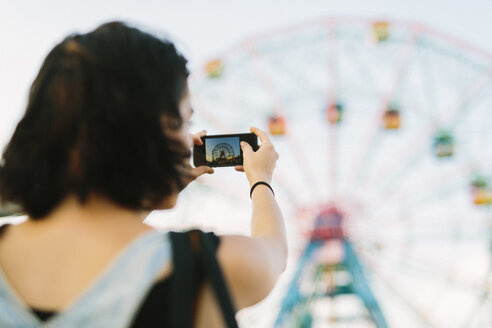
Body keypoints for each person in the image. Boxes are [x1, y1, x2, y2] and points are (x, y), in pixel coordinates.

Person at [0, 21, 287, 327]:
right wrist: (260, 179)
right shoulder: (202, 267)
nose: (186, 139)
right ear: (153, 131)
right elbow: (275, 252)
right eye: (183, 122)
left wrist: (149, 180)